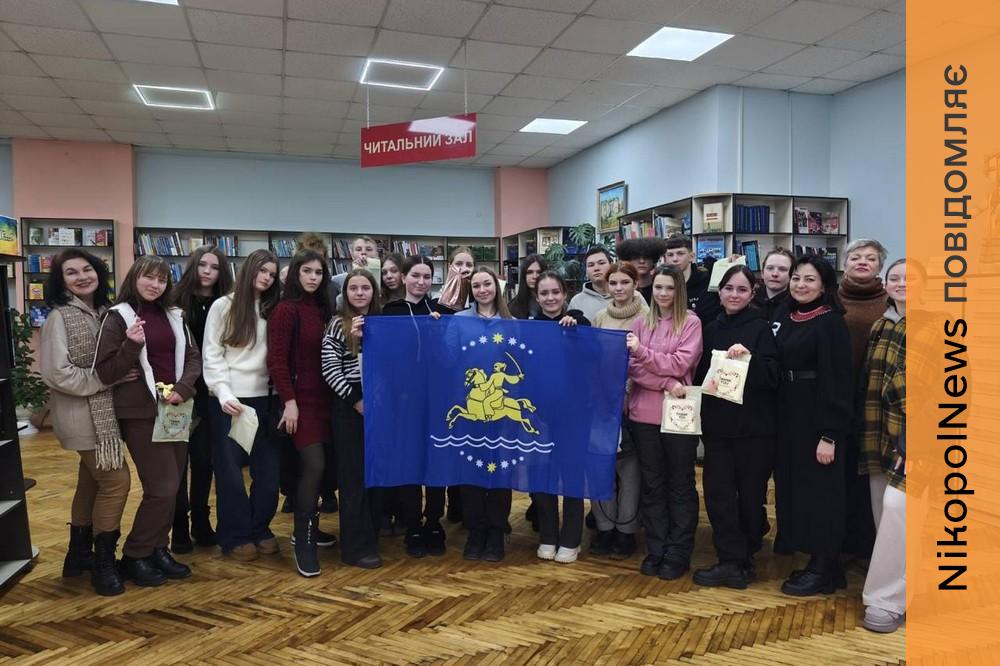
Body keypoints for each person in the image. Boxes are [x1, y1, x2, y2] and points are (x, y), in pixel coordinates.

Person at [95, 256, 201, 587]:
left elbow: (193, 358)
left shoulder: (173, 314)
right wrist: (131, 344)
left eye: (162, 279)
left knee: (173, 488)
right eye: (149, 277)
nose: (155, 285)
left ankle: (157, 548)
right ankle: (135, 554)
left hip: (176, 409)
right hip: (140, 412)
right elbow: (106, 372)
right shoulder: (118, 316)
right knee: (162, 487)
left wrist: (183, 388)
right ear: (134, 277)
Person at [40, 249, 136, 596]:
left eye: (87, 269)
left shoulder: (105, 312)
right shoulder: (59, 317)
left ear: (98, 273)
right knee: (117, 482)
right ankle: (103, 564)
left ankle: (78, 555)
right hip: (81, 416)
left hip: (104, 415)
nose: (82, 277)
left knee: (91, 484)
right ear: (61, 280)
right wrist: (106, 379)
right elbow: (57, 373)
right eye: (71, 272)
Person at [691, 265, 779, 589]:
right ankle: (729, 558)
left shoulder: (760, 328)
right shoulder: (710, 328)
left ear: (752, 293)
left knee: (750, 495)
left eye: (742, 289)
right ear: (720, 291)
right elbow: (700, 374)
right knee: (718, 494)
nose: (734, 295)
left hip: (753, 429)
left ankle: (746, 556)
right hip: (717, 427)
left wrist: (748, 360)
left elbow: (773, 377)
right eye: (729, 288)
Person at [773, 255, 854, 596]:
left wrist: (829, 435)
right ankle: (818, 561)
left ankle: (825, 567)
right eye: (796, 278)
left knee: (822, 494)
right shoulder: (785, 316)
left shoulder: (830, 322)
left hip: (817, 419)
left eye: (809, 279)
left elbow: (839, 381)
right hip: (788, 416)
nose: (800, 285)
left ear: (823, 286)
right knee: (799, 491)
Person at [201, 250, 281, 562]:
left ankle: (260, 528)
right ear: (249, 270)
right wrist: (223, 393)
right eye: (262, 271)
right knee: (230, 473)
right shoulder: (224, 305)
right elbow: (212, 353)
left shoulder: (274, 308)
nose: (267, 278)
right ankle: (235, 535)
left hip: (267, 400)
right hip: (229, 400)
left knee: (268, 472)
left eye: (272, 274)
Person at [626, 266, 702, 580]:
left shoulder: (691, 323)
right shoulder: (640, 323)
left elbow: (681, 363)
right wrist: (667, 382)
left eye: (669, 288)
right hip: (643, 416)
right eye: (658, 287)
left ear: (679, 290)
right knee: (652, 485)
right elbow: (632, 368)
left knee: (680, 484)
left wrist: (644, 354)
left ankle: (678, 551)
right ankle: (656, 548)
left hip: (679, 417)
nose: (663, 293)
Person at [267, 250, 336, 577]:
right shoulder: (285, 309)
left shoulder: (323, 309)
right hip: (300, 401)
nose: (313, 277)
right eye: (307, 271)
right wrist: (289, 402)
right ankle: (304, 541)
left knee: (323, 471)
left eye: (318, 272)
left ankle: (307, 529)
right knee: (313, 465)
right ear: (295, 273)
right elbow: (277, 360)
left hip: (327, 399)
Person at [169, 245, 233, 554]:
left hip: (210, 393)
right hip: (178, 392)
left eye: (215, 267)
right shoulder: (174, 301)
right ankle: (179, 526)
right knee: (178, 463)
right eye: (202, 265)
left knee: (204, 460)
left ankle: (201, 521)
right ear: (193, 266)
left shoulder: (226, 303)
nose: (207, 271)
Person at [382, 255, 447, 557]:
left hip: (437, 400)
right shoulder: (390, 312)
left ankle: (433, 521)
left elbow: (452, 353)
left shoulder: (442, 311)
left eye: (427, 276)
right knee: (409, 463)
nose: (421, 282)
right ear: (403, 277)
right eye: (416, 275)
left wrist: (440, 332)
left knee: (436, 462)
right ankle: (412, 525)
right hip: (404, 402)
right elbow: (383, 357)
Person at [321, 269, 384, 570]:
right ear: (345, 293)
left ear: (374, 292)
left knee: (375, 476)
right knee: (353, 478)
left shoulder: (382, 324)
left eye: (365, 288)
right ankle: (354, 547)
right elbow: (330, 368)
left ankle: (372, 537)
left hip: (380, 406)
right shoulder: (337, 324)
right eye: (353, 288)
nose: (359, 293)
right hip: (350, 407)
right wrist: (355, 400)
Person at [858, 258, 907, 633]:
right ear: (885, 284)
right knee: (881, 510)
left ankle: (886, 598)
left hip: (915, 437)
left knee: (898, 507)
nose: (902, 283)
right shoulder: (882, 324)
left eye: (910, 278)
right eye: (895, 278)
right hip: (878, 431)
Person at [454, 267, 514, 562]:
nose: (482, 290)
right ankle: (476, 530)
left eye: (486, 284)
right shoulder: (458, 320)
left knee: (501, 470)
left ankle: (496, 530)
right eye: (476, 285)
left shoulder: (512, 322)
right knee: (471, 469)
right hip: (472, 407)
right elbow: (447, 358)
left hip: (501, 409)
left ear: (496, 286)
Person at [531, 270, 590, 564]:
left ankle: (571, 538)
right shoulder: (530, 328)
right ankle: (548, 535)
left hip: (574, 415)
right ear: (537, 296)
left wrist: (576, 328)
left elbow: (595, 357)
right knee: (543, 476)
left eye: (556, 292)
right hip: (540, 416)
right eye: (544, 293)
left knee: (572, 476)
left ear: (565, 294)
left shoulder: (580, 323)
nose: (550, 298)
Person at [589, 262, 648, 560]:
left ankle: (626, 530)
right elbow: (594, 360)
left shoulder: (646, 316)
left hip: (633, 402)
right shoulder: (600, 316)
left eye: (625, 282)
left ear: (635, 283)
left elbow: (644, 360)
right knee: (601, 466)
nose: (619, 288)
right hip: (602, 404)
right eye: (613, 283)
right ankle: (604, 527)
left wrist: (625, 392)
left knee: (630, 469)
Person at [837, 239, 887, 561]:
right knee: (839, 472)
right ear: (845, 263)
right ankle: (840, 543)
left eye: (871, 258)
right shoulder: (831, 298)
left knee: (869, 475)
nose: (863, 262)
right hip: (837, 397)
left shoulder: (890, 302)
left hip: (874, 402)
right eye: (855, 257)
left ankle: (869, 547)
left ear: (880, 267)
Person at [662, 234, 721, 324]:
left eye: (680, 254)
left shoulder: (706, 282)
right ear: (665, 259)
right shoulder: (661, 284)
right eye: (670, 255)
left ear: (691, 257)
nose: (675, 259)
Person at [568, 246, 613, 322]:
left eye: (601, 263)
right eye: (591, 265)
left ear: (611, 266)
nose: (596, 268)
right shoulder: (577, 302)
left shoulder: (625, 295)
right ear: (586, 271)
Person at [615, 238, 665, 305]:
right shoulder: (622, 290)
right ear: (628, 260)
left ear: (654, 259)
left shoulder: (662, 288)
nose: (642, 261)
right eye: (636, 257)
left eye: (647, 257)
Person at [754, 248, 794, 322]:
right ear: (762, 273)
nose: (775, 274)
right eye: (770, 268)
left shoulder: (796, 306)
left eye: (782, 269)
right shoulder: (749, 300)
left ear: (792, 275)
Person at [435, 246, 474, 314]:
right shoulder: (437, 301)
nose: (464, 269)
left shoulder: (479, 298)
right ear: (449, 266)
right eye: (458, 264)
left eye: (469, 265)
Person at [507, 254, 547, 320]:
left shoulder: (556, 302)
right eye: (529, 272)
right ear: (524, 275)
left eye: (539, 272)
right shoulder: (512, 306)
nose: (534, 276)